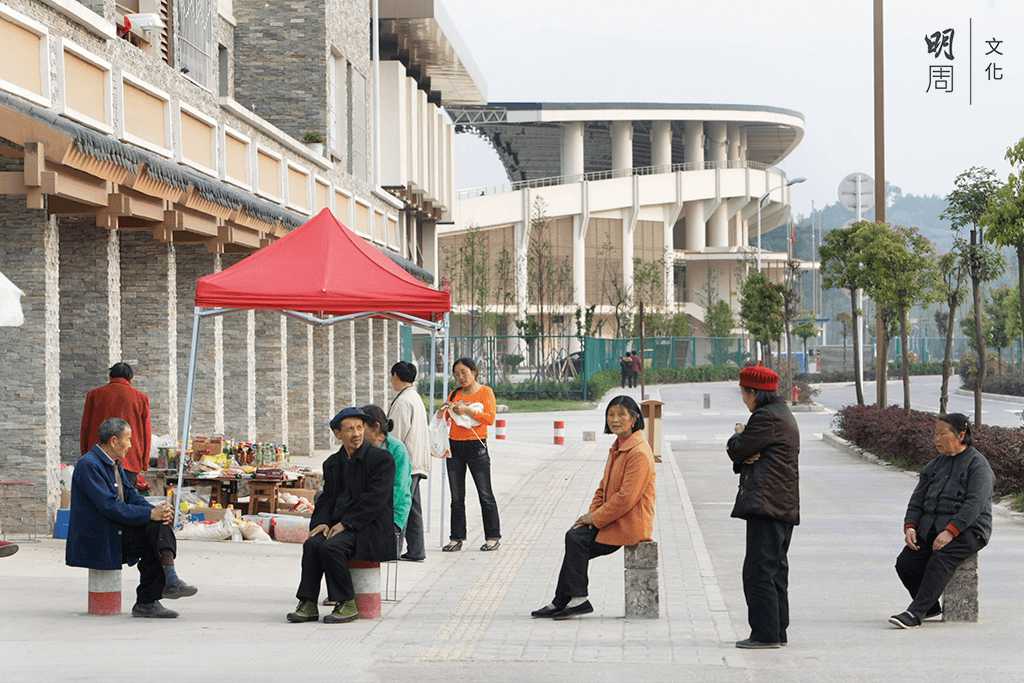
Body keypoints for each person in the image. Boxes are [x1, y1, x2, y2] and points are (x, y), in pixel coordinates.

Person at [531, 395, 656, 620]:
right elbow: (603, 488)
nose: (615, 419)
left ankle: (579, 599)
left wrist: (595, 518)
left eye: (621, 415)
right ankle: (562, 600)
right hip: (612, 519)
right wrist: (590, 516)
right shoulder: (618, 446)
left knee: (577, 540)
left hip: (630, 524)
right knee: (575, 536)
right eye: (610, 414)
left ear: (634, 419)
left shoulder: (638, 452)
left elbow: (626, 498)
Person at [67, 417, 197, 618]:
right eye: (127, 439)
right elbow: (109, 506)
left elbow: (131, 497)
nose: (130, 445)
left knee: (157, 526)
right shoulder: (89, 465)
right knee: (152, 529)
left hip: (115, 528)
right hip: (99, 535)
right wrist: (148, 514)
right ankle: (163, 585)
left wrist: (157, 510)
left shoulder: (115, 464)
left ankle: (154, 595)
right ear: (113, 441)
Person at [287, 407, 397, 624]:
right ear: (338, 434)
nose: (356, 433)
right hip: (340, 525)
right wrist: (321, 523)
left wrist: (346, 523)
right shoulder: (332, 463)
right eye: (349, 429)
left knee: (331, 547)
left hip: (369, 527)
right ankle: (308, 602)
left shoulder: (381, 459)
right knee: (312, 544)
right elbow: (326, 498)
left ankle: (346, 602)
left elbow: (375, 499)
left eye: (359, 427)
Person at [889, 413, 994, 629]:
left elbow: (974, 504)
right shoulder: (934, 466)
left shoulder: (978, 465)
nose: (936, 439)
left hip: (969, 530)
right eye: (935, 434)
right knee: (906, 563)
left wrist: (951, 531)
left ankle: (915, 613)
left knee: (940, 559)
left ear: (961, 435)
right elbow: (917, 501)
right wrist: (910, 527)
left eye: (942, 434)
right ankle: (930, 607)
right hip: (932, 527)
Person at [726, 363, 800, 649]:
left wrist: (738, 434)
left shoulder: (765, 417)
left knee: (758, 571)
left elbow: (737, 449)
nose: (744, 400)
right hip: (780, 504)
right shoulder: (780, 414)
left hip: (767, 505)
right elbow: (745, 454)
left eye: (744, 394)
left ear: (754, 393)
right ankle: (777, 631)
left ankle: (765, 634)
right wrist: (745, 450)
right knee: (775, 570)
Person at [437, 357, 501, 552]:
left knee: (485, 493)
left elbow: (489, 418)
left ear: (474, 371)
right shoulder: (455, 393)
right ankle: (456, 538)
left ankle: (492, 537)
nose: (460, 377)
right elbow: (447, 417)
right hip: (455, 446)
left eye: (464, 372)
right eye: (456, 374)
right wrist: (443, 411)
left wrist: (467, 411)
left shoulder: (485, 392)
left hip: (476, 446)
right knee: (457, 496)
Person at [80, 363, 152, 484]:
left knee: (100, 500)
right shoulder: (140, 398)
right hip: (130, 459)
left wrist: (86, 455)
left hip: (98, 457)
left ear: (110, 377)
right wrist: (144, 462)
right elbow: (146, 433)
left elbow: (85, 429)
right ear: (131, 379)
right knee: (127, 499)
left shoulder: (94, 395)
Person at [387, 361, 429, 562]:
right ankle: (416, 550)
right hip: (417, 461)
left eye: (391, 376)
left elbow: (395, 436)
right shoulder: (414, 396)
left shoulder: (403, 401)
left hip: (406, 463)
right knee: (413, 509)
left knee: (400, 506)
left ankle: (393, 549)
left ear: (396, 376)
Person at [361, 404, 412, 534]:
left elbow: (400, 486)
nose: (357, 432)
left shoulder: (397, 449)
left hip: (392, 513)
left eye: (361, 427)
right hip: (369, 512)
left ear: (376, 427)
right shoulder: (363, 448)